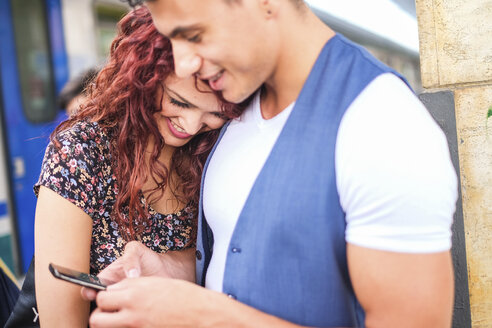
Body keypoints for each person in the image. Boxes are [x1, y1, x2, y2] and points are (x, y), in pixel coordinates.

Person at [84, 0, 458, 327]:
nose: (183, 64)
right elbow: (243, 257)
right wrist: (166, 270)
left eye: (194, 35)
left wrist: (203, 318)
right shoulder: (233, 108)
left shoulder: (383, 124)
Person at [31, 7, 240, 327]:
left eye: (216, 114)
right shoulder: (83, 153)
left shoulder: (216, 152)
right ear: (141, 77)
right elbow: (60, 321)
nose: (193, 125)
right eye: (179, 102)